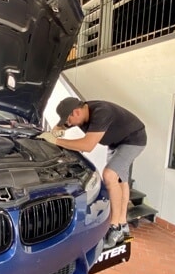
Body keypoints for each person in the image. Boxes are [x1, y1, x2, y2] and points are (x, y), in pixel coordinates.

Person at [39, 97, 147, 248]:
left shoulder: (102, 112)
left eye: (68, 119)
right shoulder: (81, 112)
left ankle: (114, 227)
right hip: (116, 142)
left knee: (110, 176)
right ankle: (122, 223)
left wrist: (55, 141)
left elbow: (87, 145)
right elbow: (63, 126)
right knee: (121, 180)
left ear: (76, 112)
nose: (68, 123)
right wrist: (57, 129)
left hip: (133, 140)